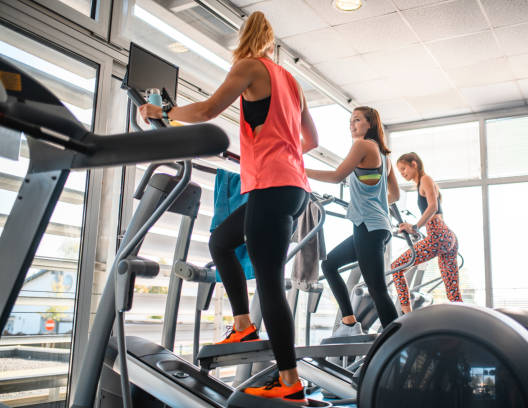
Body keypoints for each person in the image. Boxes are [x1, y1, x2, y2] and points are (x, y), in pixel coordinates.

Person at [139, 11, 318, 404]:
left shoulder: (248, 67)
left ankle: (289, 384)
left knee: (270, 282)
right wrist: (276, 152)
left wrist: (161, 113)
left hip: (272, 186)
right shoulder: (292, 81)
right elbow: (311, 139)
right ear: (272, 42)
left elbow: (205, 112)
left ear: (246, 37)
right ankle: (242, 324)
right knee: (221, 240)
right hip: (291, 186)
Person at [305, 106, 400, 335]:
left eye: (357, 120)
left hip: (368, 225)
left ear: (371, 124)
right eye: (350, 120)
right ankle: (349, 323)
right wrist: (372, 201)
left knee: (377, 289)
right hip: (375, 225)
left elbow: (337, 175)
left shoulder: (362, 145)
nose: (352, 124)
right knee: (329, 265)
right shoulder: (384, 155)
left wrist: (298, 170)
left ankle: (399, 341)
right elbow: (394, 195)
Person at [391, 152, 462, 314]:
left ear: (414, 164)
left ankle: (407, 316)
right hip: (446, 236)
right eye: (400, 171)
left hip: (438, 235)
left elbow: (433, 207)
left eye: (404, 168)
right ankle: (465, 322)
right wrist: (413, 228)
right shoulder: (422, 183)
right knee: (453, 292)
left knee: (396, 268)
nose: (402, 173)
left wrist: (415, 227)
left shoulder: (425, 179)